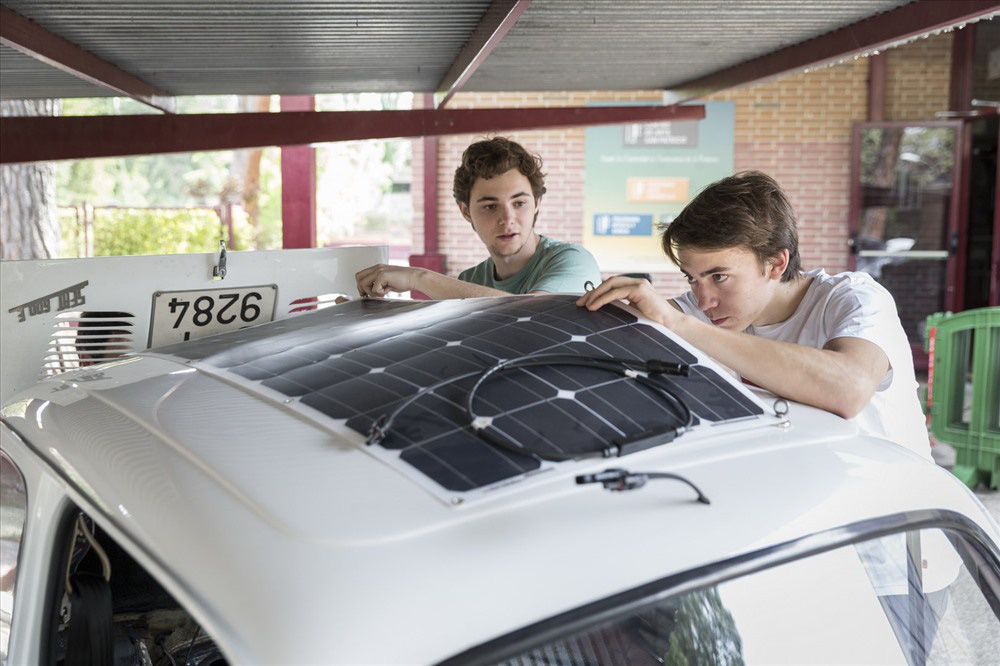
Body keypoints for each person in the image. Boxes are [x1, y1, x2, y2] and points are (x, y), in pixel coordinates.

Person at [577, 170, 930, 459]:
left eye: (719, 277)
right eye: (692, 278)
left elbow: (848, 390)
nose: (703, 301)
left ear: (776, 263)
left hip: (897, 520)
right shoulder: (698, 314)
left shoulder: (854, 299)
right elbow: (610, 333)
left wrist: (680, 325)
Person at [356, 137, 601, 299]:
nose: (507, 218)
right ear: (465, 211)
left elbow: (533, 316)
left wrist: (419, 277)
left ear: (537, 203)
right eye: (490, 207)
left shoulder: (573, 261)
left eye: (519, 203)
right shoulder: (470, 281)